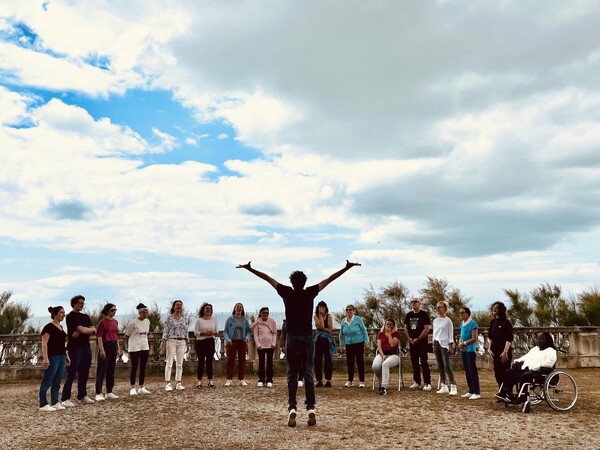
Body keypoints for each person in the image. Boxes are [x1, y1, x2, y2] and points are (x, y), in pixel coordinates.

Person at [237, 259, 360, 428]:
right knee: (308, 373)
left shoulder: (286, 292)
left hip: (293, 338)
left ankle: (292, 407)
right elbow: (330, 279)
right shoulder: (310, 292)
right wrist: (346, 268)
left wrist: (250, 269)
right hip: (308, 338)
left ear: (292, 283)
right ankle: (310, 409)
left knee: (291, 374)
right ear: (305, 282)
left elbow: (267, 278)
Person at [495, 332, 557, 403]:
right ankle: (506, 394)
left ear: (547, 341)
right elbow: (525, 357)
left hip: (539, 373)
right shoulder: (535, 349)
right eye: (538, 339)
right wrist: (517, 361)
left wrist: (533, 367)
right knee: (509, 372)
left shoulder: (551, 351)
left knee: (526, 375)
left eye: (541, 339)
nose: (539, 341)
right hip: (527, 370)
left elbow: (548, 364)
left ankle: (522, 397)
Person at [60, 295, 96, 406]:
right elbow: (82, 329)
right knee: (71, 373)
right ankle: (65, 398)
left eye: (83, 303)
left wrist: (83, 331)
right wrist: (83, 330)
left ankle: (82, 395)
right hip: (75, 348)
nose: (82, 305)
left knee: (84, 373)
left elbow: (94, 329)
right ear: (74, 303)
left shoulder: (85, 316)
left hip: (85, 347)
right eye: (80, 303)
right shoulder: (70, 316)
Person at [39, 306, 70, 412]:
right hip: (52, 357)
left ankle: (55, 402)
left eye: (64, 313)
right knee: (48, 380)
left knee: (57, 381)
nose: (63, 314)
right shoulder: (48, 327)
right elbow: (44, 343)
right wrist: (45, 358)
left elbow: (63, 344)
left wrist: (66, 356)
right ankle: (43, 404)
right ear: (55, 314)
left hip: (61, 356)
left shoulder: (61, 327)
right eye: (61, 313)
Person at [403, 297, 432, 391]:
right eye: (412, 302)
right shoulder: (409, 315)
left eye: (415, 302)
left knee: (424, 362)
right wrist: (409, 338)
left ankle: (427, 382)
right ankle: (417, 381)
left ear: (419, 303)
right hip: (412, 343)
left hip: (422, 343)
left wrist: (419, 338)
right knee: (414, 362)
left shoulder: (424, 315)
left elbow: (427, 328)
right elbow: (406, 327)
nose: (413, 303)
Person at [95, 303, 122, 401]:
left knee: (111, 369)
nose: (114, 312)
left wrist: (118, 348)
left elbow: (117, 336)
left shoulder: (115, 322)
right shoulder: (102, 322)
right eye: (112, 310)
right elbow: (99, 337)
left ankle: (109, 391)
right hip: (106, 345)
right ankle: (98, 392)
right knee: (101, 370)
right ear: (107, 311)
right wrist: (102, 350)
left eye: (115, 310)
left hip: (113, 345)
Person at [124, 303, 151, 395]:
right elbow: (126, 334)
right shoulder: (133, 322)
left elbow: (147, 332)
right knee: (134, 367)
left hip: (144, 346)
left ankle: (142, 386)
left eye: (146, 313)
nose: (145, 315)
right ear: (140, 313)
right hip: (134, 347)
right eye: (144, 313)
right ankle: (132, 387)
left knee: (143, 367)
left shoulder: (147, 321)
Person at [339, 304, 369, 388]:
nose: (348, 311)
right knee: (350, 362)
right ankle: (350, 380)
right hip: (348, 344)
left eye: (350, 310)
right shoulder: (343, 321)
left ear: (353, 311)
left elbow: (364, 331)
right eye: (347, 309)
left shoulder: (358, 319)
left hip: (359, 343)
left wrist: (366, 342)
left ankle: (362, 381)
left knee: (360, 362)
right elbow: (341, 334)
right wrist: (342, 344)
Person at [161, 299, 189, 391]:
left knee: (179, 363)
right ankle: (168, 383)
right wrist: (164, 343)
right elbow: (165, 331)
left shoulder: (184, 319)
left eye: (180, 305)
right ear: (174, 307)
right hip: (171, 340)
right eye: (177, 305)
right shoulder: (169, 318)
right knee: (169, 362)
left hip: (181, 341)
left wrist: (187, 343)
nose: (179, 306)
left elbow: (186, 331)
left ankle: (178, 382)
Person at [223, 302, 252, 386]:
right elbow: (225, 332)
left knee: (242, 361)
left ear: (242, 309)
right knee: (230, 360)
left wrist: (246, 338)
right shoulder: (229, 319)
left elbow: (249, 332)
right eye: (237, 307)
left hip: (242, 342)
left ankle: (241, 379)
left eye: (240, 307)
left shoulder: (245, 320)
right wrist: (228, 340)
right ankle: (229, 379)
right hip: (232, 342)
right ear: (234, 308)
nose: (239, 308)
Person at [432, 301, 457, 396]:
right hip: (436, 343)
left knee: (447, 365)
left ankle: (453, 385)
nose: (438, 309)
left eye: (440, 307)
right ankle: (443, 385)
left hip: (445, 344)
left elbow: (451, 333)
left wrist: (451, 344)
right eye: (437, 307)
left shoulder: (448, 321)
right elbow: (435, 332)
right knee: (440, 365)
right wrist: (434, 343)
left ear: (445, 309)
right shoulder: (435, 320)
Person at [488, 301, 514, 388]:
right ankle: (501, 391)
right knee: (497, 373)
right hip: (495, 352)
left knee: (505, 372)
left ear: (501, 309)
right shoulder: (493, 322)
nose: (494, 309)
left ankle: (507, 392)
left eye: (496, 307)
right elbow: (490, 337)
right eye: (493, 307)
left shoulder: (506, 322)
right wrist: (489, 349)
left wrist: (505, 352)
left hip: (504, 352)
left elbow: (509, 339)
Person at [372, 318, 401, 395]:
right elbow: (379, 347)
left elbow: (392, 344)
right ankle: (381, 379)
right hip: (382, 354)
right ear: (385, 325)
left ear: (393, 326)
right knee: (375, 366)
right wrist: (382, 355)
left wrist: (389, 334)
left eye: (390, 325)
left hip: (394, 355)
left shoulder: (396, 333)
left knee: (385, 364)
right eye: (387, 324)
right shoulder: (380, 334)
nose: (388, 326)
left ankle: (384, 387)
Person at [251, 306, 277, 387]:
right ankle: (261, 379)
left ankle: (269, 380)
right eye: (263, 313)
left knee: (270, 363)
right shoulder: (258, 322)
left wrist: (274, 343)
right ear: (260, 314)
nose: (265, 314)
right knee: (261, 363)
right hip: (261, 345)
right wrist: (258, 344)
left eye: (267, 313)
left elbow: (275, 333)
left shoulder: (272, 321)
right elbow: (255, 334)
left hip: (270, 345)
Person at [194, 302, 218, 388]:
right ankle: (199, 381)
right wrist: (204, 333)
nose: (208, 310)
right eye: (206, 309)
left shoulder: (213, 320)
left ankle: (210, 381)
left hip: (210, 342)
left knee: (209, 362)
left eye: (210, 309)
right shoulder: (199, 320)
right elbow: (195, 332)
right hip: (201, 342)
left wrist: (213, 332)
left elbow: (217, 331)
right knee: (201, 362)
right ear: (203, 310)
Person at [458, 307, 480, 400]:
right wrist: (460, 343)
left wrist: (465, 343)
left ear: (467, 313)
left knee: (472, 370)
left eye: (463, 313)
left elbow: (474, 338)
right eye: (460, 313)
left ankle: (477, 391)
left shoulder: (473, 324)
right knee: (467, 370)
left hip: (470, 350)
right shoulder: (462, 323)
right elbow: (461, 335)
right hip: (464, 350)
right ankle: (471, 390)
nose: (461, 314)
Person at [313, 301, 334, 388]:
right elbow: (321, 325)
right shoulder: (315, 316)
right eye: (320, 307)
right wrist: (320, 316)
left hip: (327, 340)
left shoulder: (329, 316)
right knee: (317, 359)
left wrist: (321, 328)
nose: (322, 309)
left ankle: (328, 380)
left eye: (323, 307)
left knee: (328, 360)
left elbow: (329, 329)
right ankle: (319, 380)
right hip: (318, 340)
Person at [280, 319, 306, 386]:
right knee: (290, 362)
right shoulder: (286, 322)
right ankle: (291, 378)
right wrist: (282, 345)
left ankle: (300, 378)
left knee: (300, 362)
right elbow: (283, 334)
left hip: (300, 343)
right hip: (289, 343)